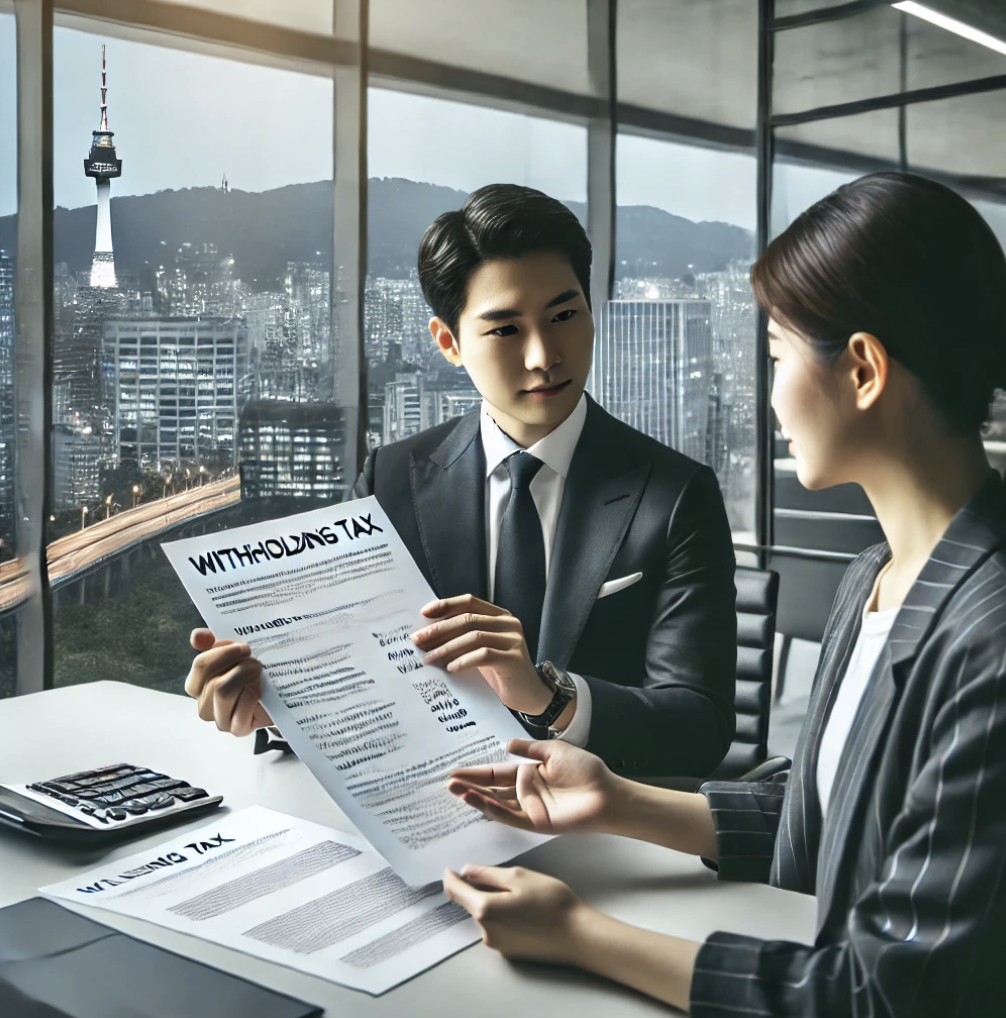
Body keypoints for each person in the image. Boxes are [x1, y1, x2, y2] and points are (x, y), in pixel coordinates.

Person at [442, 172, 1006, 1016]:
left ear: (861, 370)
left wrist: (582, 935)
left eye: (775, 356)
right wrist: (620, 800)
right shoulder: (875, 581)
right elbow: (826, 806)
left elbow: (891, 992)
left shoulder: (990, 640)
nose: (767, 393)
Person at [183, 184, 738, 778]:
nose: (544, 355)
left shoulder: (676, 495)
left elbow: (699, 727)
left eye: (565, 315)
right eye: (505, 330)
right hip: (432, 816)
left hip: (600, 835)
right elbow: (355, 678)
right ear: (449, 343)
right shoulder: (391, 479)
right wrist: (281, 706)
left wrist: (551, 696)